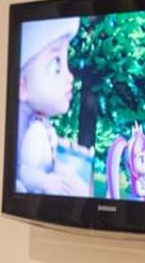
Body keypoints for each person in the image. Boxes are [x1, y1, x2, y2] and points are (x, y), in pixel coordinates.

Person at [15, 17, 91, 196]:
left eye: (66, 62)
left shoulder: (44, 128)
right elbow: (24, 171)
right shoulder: (35, 133)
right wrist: (46, 182)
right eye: (57, 65)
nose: (70, 76)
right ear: (22, 86)